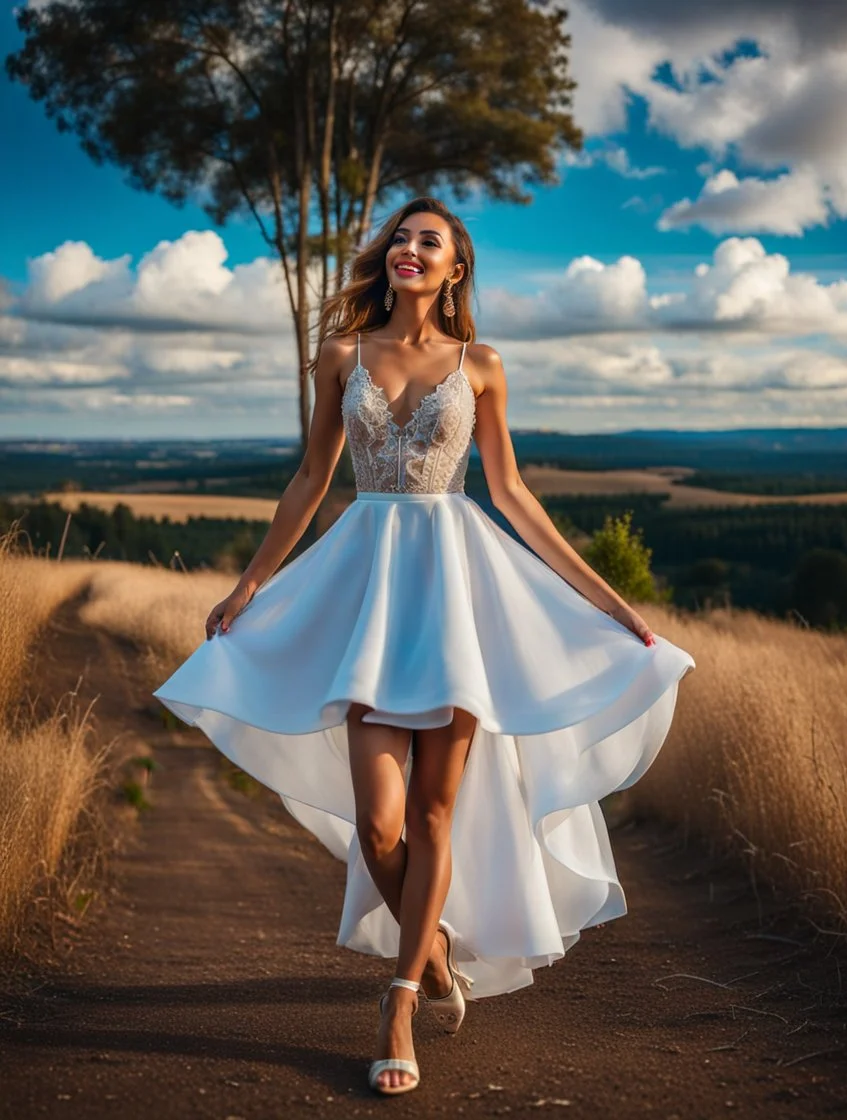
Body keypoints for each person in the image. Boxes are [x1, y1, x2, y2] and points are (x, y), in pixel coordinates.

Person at [153, 196, 696, 1096]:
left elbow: (513, 495)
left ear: (455, 270)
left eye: (428, 241)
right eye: (400, 238)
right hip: (369, 594)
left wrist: (604, 599)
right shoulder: (341, 357)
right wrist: (249, 583)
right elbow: (308, 481)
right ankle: (432, 942)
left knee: (436, 817)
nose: (409, 249)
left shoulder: (480, 364)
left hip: (453, 597)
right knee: (380, 822)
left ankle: (400, 998)